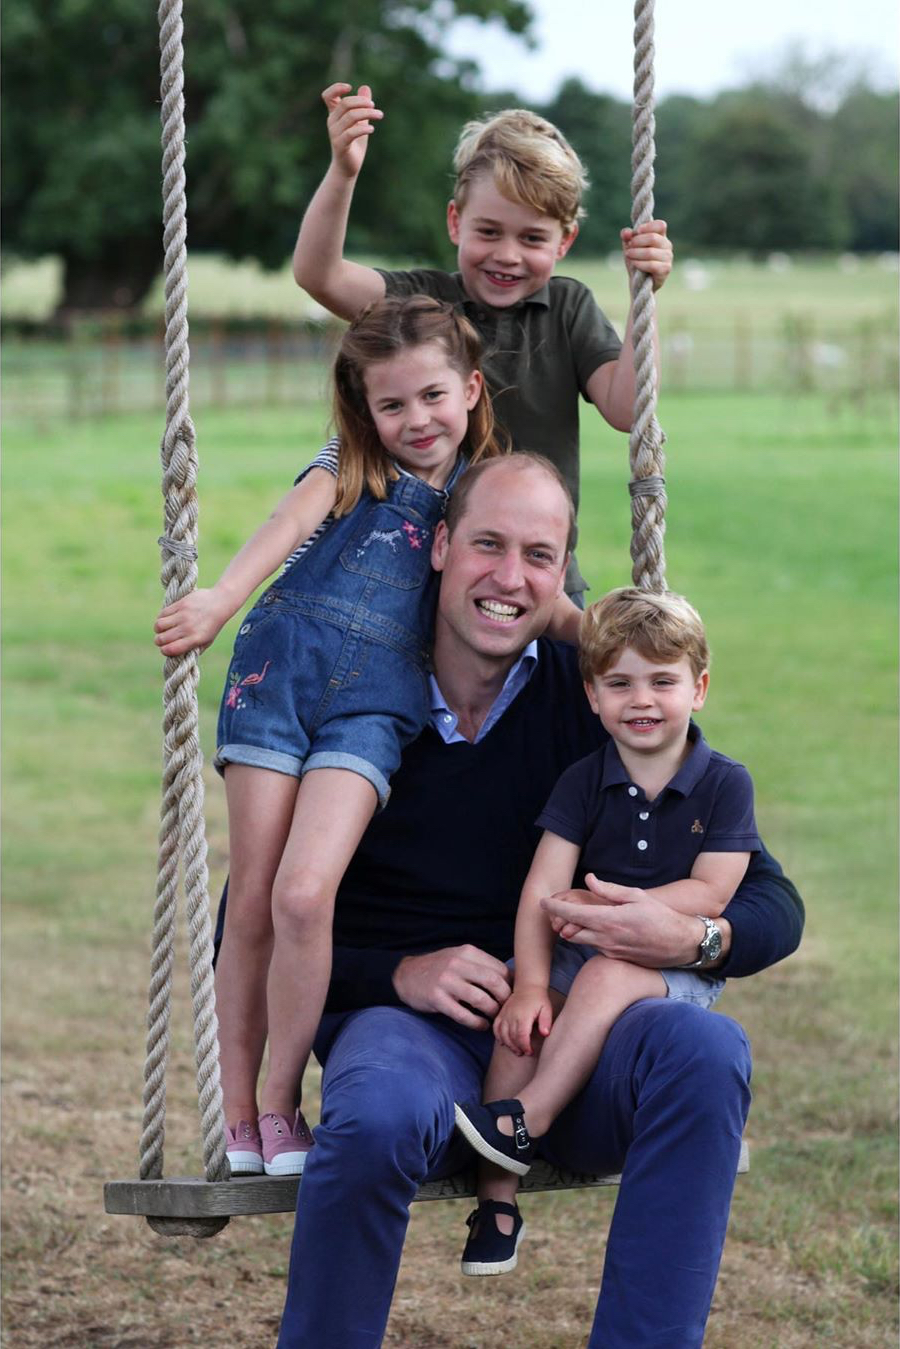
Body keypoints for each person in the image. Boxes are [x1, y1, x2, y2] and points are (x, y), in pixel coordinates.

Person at [270, 455, 804, 1349]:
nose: (509, 578)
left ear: (562, 576)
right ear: (439, 546)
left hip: (578, 1040)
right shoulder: (356, 698)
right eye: (487, 544)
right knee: (374, 1116)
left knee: (704, 1048)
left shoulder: (593, 701)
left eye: (539, 554)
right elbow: (250, 927)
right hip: (416, 1032)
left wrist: (692, 934)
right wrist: (399, 972)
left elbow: (771, 901)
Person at [154, 295, 516, 1178]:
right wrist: (217, 599)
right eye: (392, 405)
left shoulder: (481, 488)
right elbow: (284, 527)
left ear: (469, 388)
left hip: (376, 702)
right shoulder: (350, 460)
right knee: (251, 899)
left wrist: (610, 637)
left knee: (305, 895)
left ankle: (283, 1100)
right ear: (366, 410)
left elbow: (522, 582)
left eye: (432, 396)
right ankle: (239, 1113)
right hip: (279, 673)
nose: (415, 420)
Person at [453, 587, 762, 1276]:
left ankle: (529, 1114)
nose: (642, 699)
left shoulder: (724, 785)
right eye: (620, 683)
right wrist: (531, 985)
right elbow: (541, 889)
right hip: (581, 941)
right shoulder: (584, 781)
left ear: (699, 687)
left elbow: (714, 890)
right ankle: (497, 1199)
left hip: (672, 960)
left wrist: (629, 914)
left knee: (605, 972)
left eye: (663, 680)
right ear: (592, 695)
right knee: (519, 1024)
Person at [292, 86, 674, 601]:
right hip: (425, 579)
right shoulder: (422, 303)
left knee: (559, 679)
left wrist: (641, 298)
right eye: (489, 232)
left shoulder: (568, 308)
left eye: (533, 239)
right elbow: (321, 275)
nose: (508, 255)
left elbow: (627, 408)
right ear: (456, 222)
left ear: (565, 242)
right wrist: (343, 171)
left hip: (540, 578)